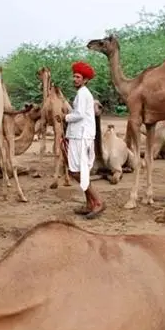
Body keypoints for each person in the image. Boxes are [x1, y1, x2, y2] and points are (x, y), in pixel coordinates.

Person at [57, 61, 105, 219]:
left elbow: (80, 115)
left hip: (82, 136)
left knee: (76, 171)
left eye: (78, 77)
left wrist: (65, 117)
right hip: (79, 134)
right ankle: (90, 203)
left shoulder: (83, 94)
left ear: (85, 80)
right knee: (78, 170)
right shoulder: (82, 94)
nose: (75, 79)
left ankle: (97, 201)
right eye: (74, 76)